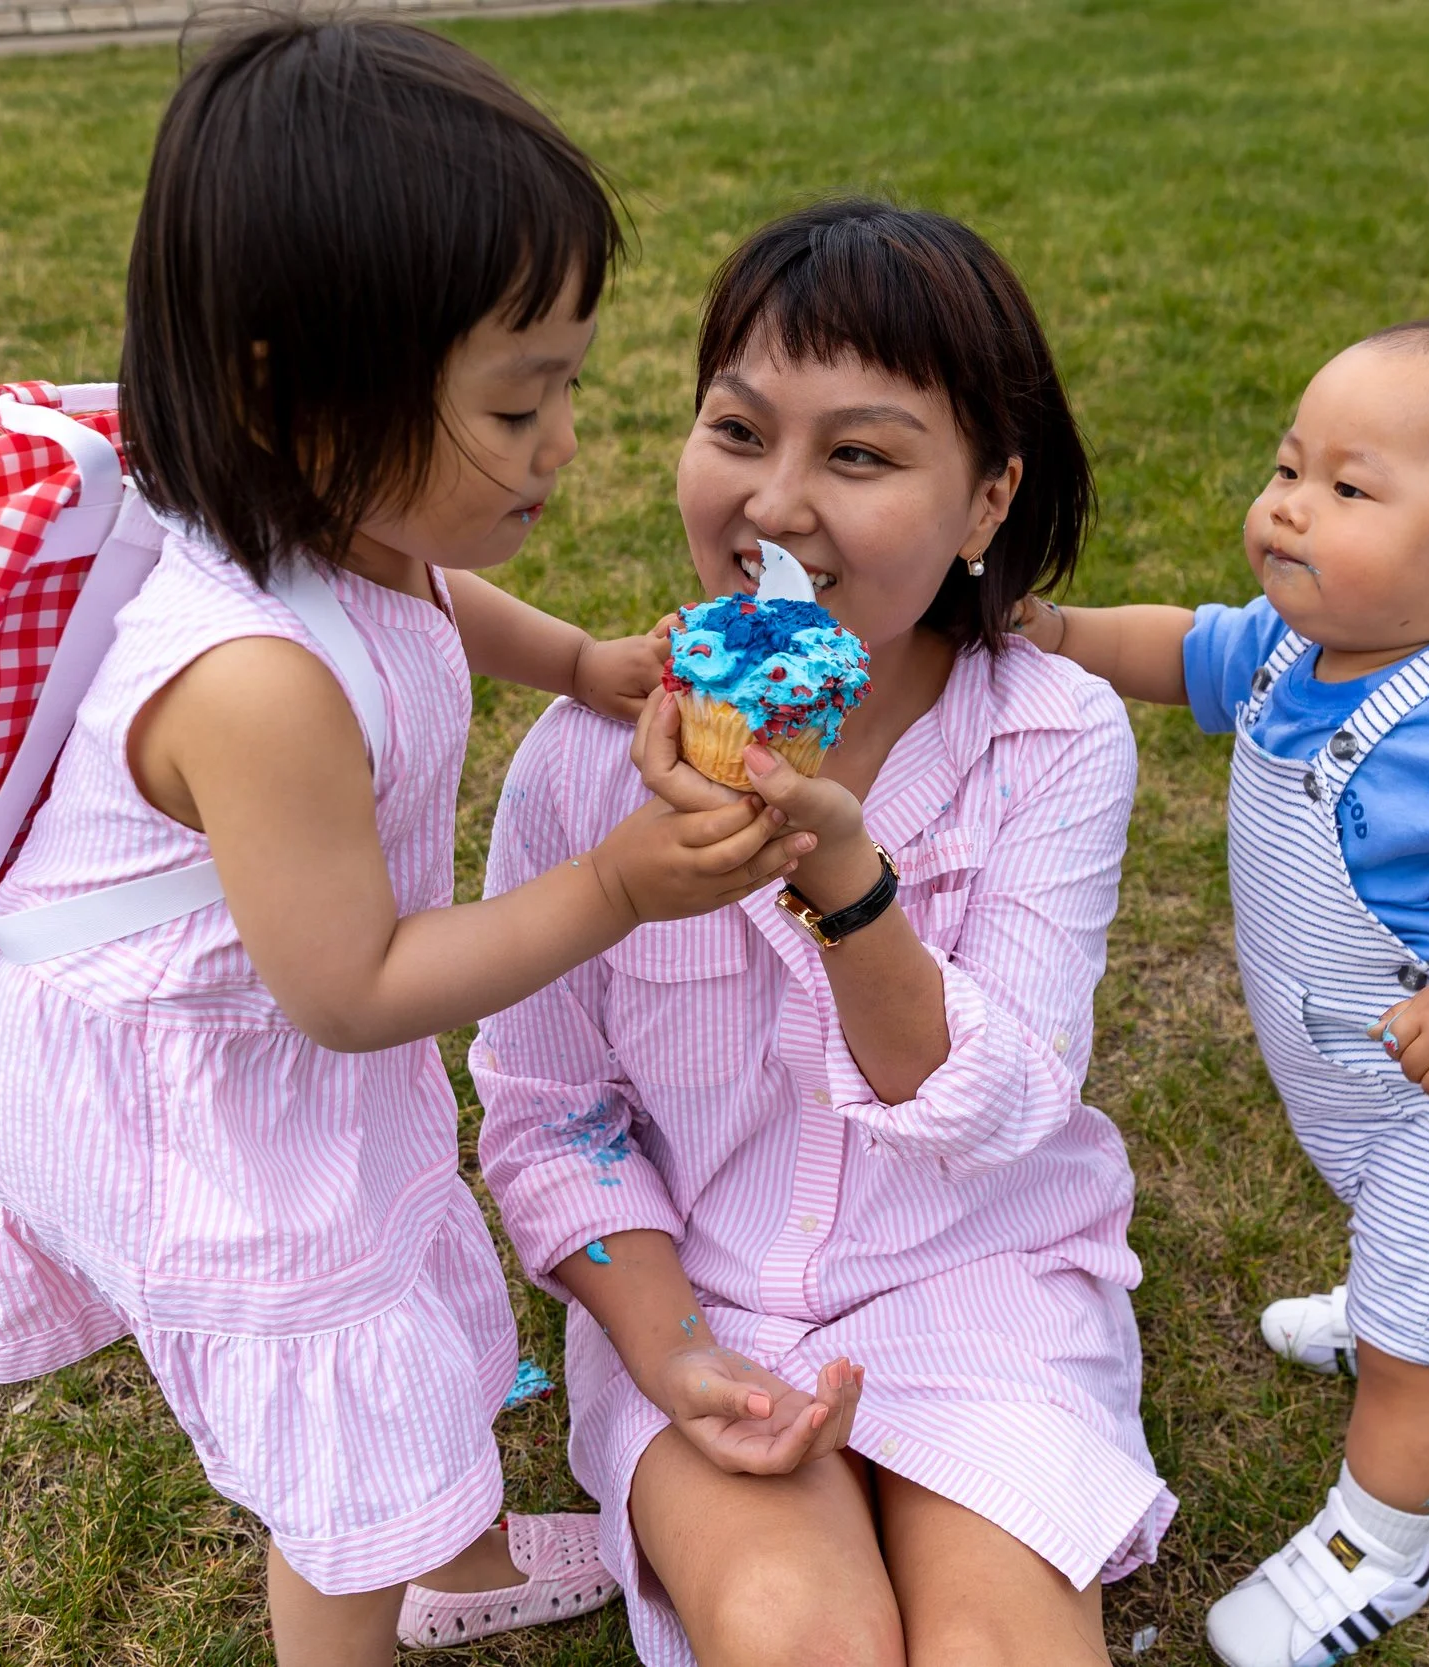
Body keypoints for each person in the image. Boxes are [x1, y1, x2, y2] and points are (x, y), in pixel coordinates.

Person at [0, 20, 814, 1664]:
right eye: (517, 399)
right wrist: (617, 883)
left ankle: (461, 1554)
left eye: (568, 384)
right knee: (339, 1467)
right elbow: (353, 986)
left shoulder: (353, 518)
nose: (564, 440)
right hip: (207, 1095)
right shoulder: (252, 680)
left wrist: (575, 660)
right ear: (294, 391)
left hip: (290, 1052)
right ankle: (371, 1602)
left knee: (415, 1313)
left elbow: (440, 598)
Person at [475, 200, 1175, 1667]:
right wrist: (678, 1356)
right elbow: (554, 1121)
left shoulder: (1051, 738)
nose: (776, 505)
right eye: (738, 430)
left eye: (858, 454)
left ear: (986, 503)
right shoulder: (584, 760)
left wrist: (847, 883)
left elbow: (1005, 1106)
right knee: (803, 1640)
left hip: (977, 1277)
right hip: (701, 1296)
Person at [1017, 317, 1429, 1666]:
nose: (1288, 503)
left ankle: (1379, 1543)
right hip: (1380, 1080)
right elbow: (1177, 646)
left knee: (1426, 1356)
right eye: (1289, 466)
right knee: (1396, 1261)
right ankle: (1387, 1298)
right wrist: (1057, 633)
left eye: (1349, 489)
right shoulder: (1290, 650)